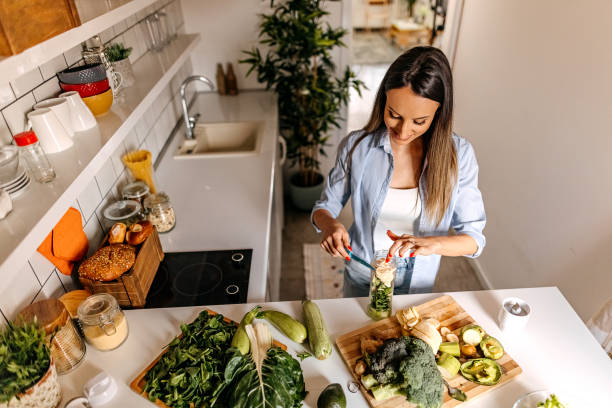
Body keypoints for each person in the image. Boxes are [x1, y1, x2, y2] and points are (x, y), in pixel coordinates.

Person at [311, 46, 486, 297]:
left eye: (419, 121)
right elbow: (323, 207)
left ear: (438, 114)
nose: (403, 132)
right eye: (394, 115)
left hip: (418, 281)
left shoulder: (459, 156)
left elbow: (474, 239)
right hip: (363, 269)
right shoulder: (357, 147)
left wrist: (432, 243)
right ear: (384, 99)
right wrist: (329, 226)